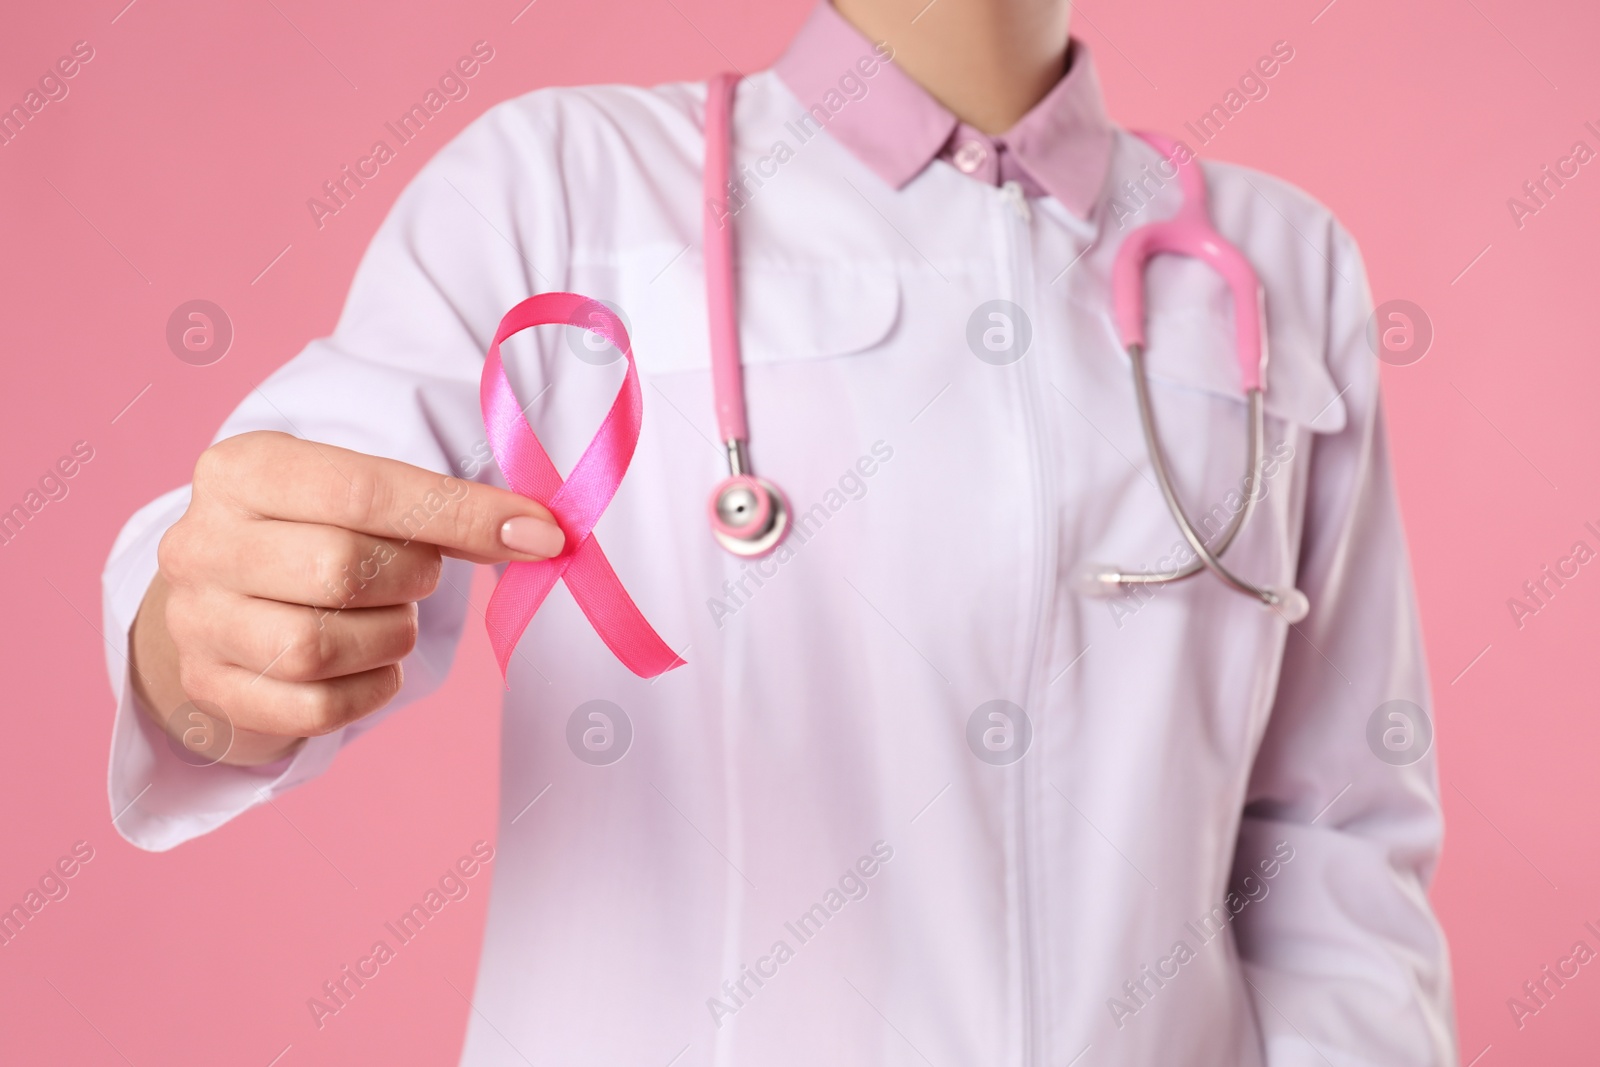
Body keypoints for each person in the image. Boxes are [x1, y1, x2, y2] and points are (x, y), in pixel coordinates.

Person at [103, 0, 1457, 1062]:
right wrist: (207, 629)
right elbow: (276, 536)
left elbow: (1335, 839)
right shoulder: (561, 187)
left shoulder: (1285, 265)